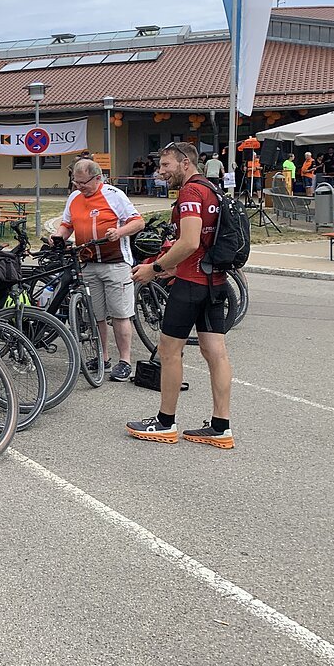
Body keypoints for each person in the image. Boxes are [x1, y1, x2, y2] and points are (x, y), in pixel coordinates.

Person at [128, 141, 235, 448]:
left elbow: (189, 242)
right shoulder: (213, 190)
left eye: (166, 165)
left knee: (169, 351)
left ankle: (165, 422)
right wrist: (171, 267)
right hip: (215, 280)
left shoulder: (190, 192)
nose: (160, 171)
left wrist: (155, 268)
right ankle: (221, 427)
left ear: (185, 163)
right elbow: (204, 242)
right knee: (216, 352)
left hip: (190, 284)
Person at [52, 158, 144, 382]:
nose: (79, 187)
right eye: (76, 182)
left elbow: (138, 222)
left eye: (83, 183)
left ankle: (125, 361)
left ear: (98, 178)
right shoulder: (74, 197)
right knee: (96, 315)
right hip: (88, 263)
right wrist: (58, 236)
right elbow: (67, 225)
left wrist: (119, 233)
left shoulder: (114, 195)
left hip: (115, 263)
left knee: (120, 314)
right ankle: (103, 357)